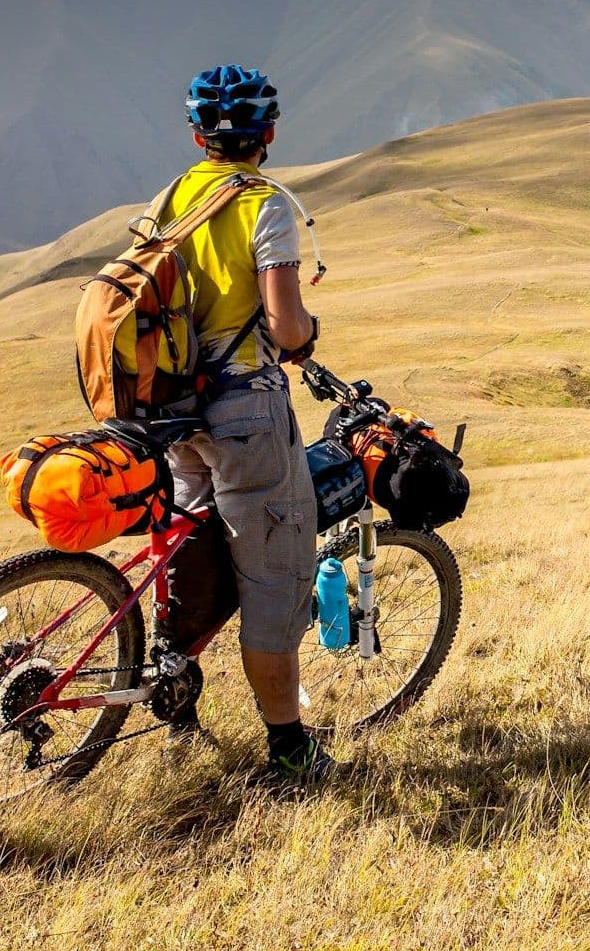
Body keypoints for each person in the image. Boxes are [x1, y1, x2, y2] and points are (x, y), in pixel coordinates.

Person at [152, 64, 332, 780]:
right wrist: (308, 329)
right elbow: (286, 328)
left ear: (198, 136)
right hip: (245, 411)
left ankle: (177, 705)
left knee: (190, 555)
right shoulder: (268, 205)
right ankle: (289, 748)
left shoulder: (171, 198)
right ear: (271, 134)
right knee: (271, 573)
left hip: (172, 410)